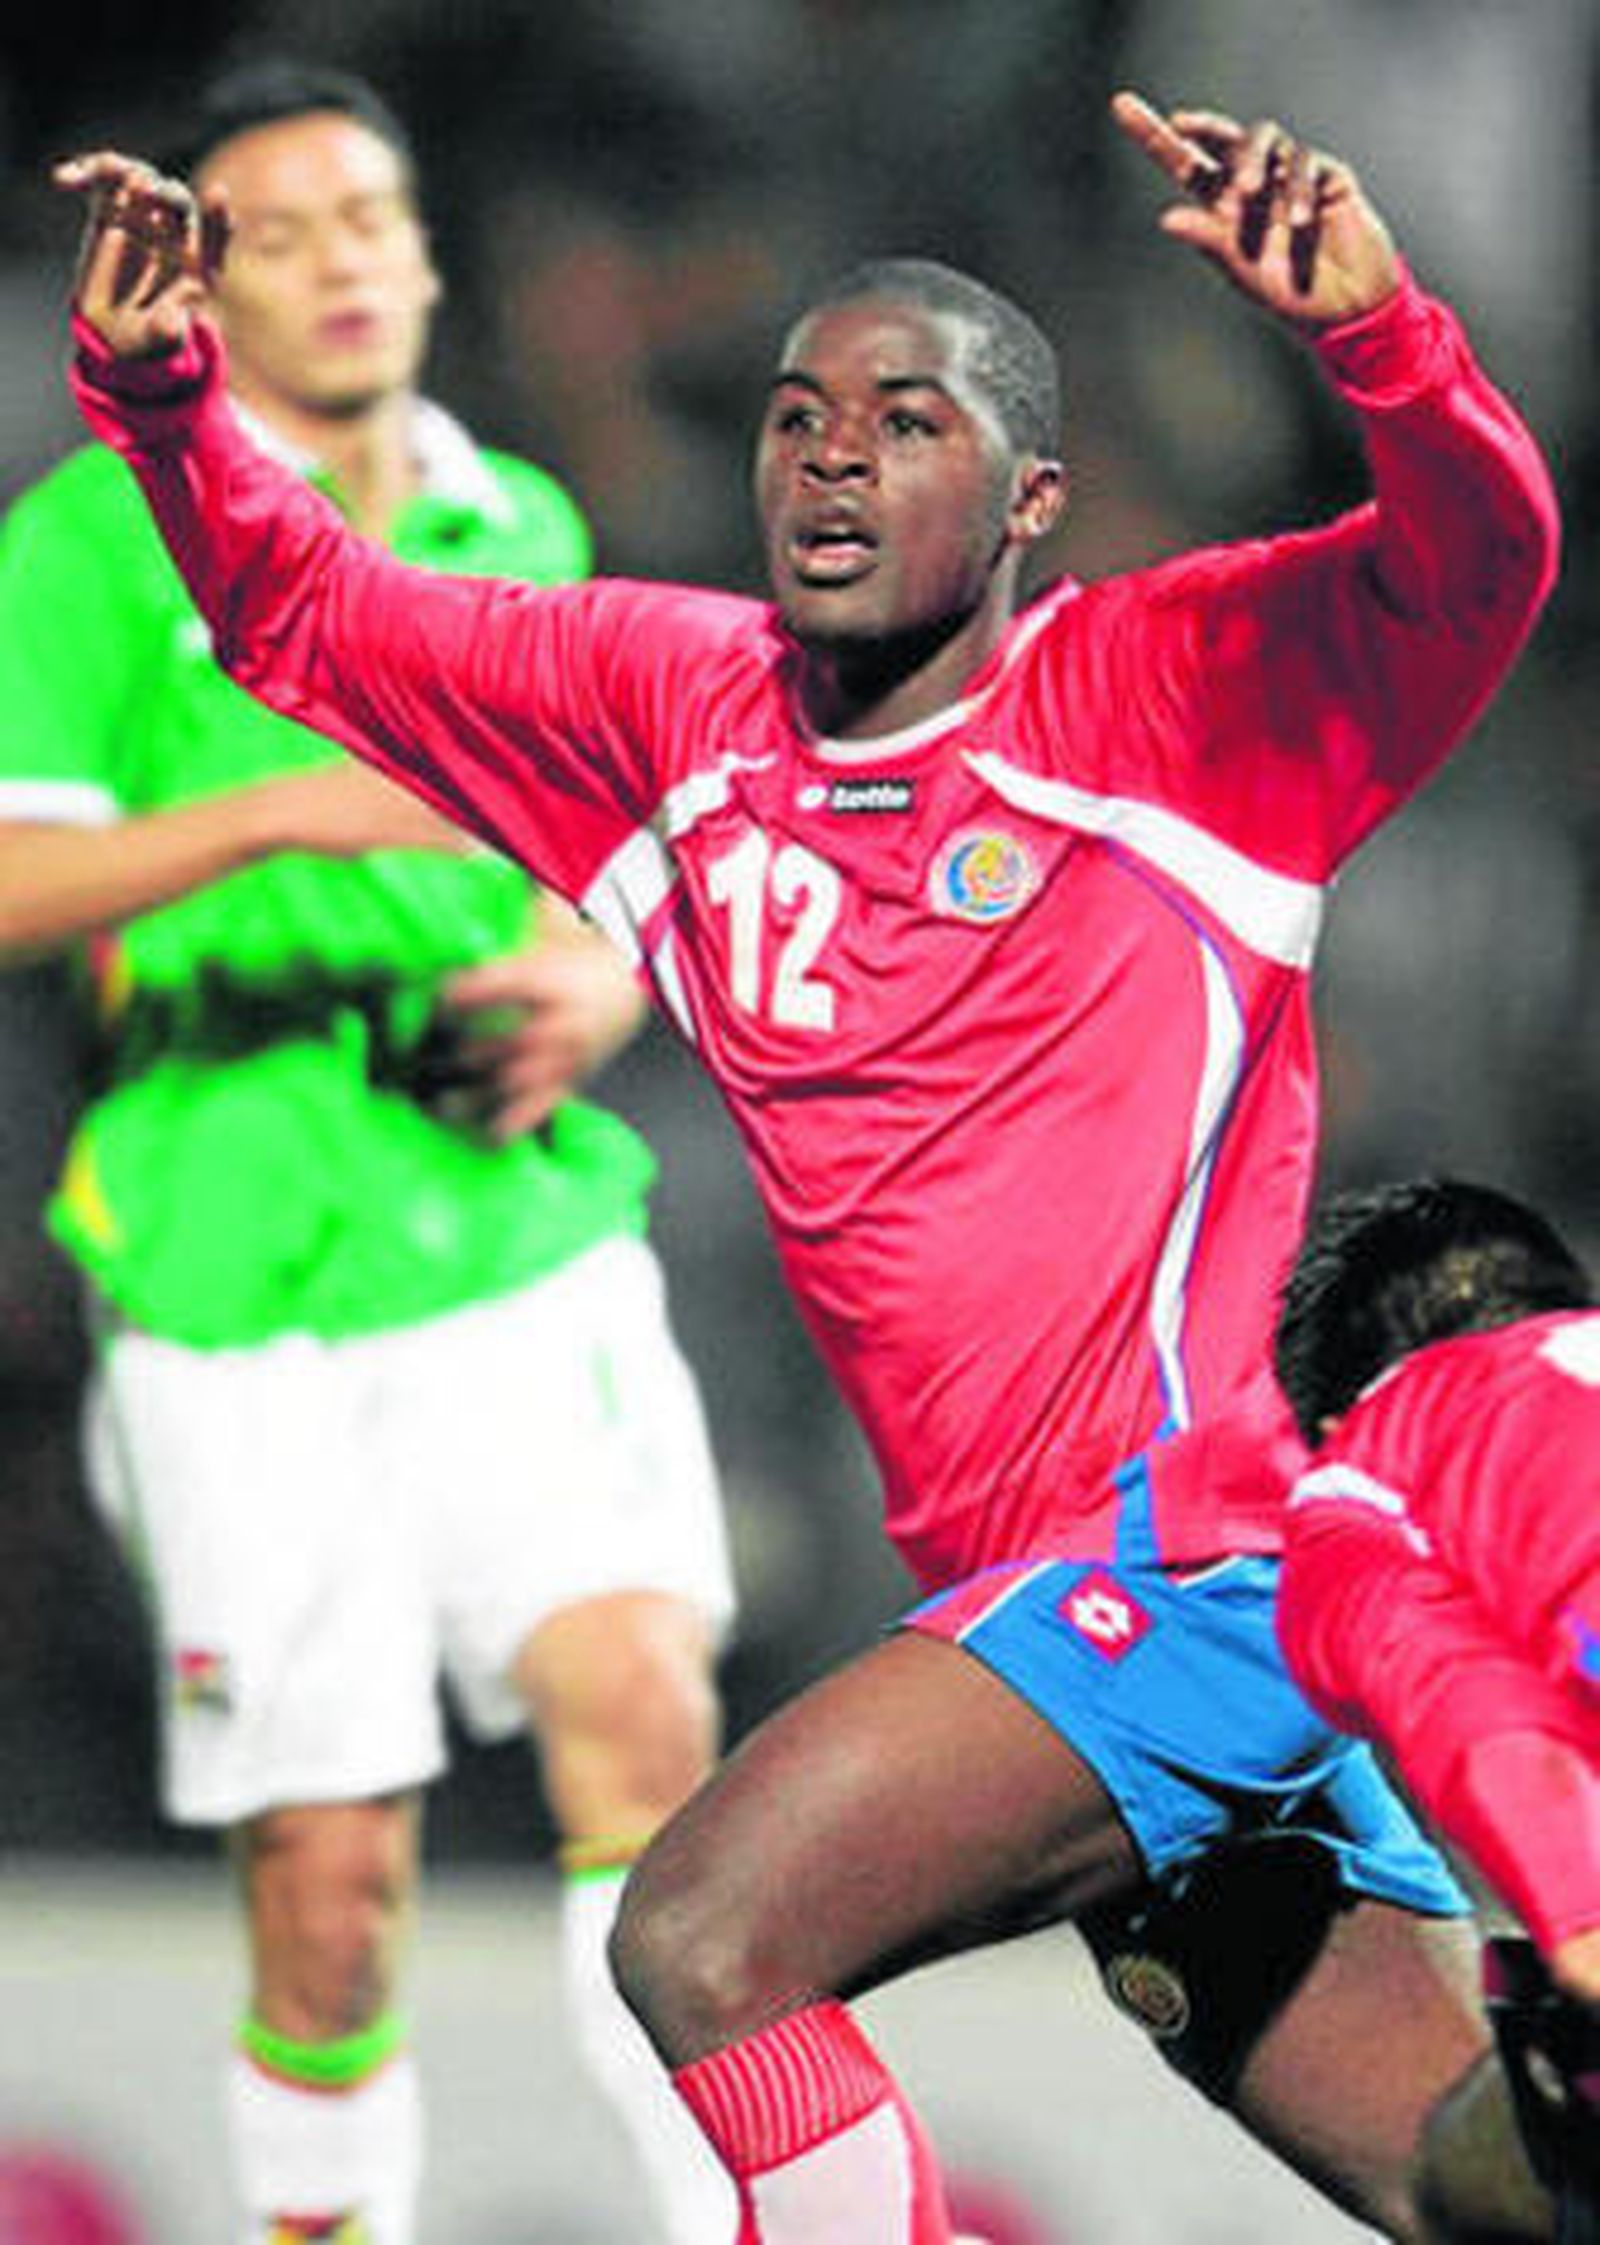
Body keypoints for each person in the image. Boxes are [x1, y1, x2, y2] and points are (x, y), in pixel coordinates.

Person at [52, 83, 1564, 2241]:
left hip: (1181, 1565)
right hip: (1038, 1614)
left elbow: (1478, 559)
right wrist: (160, 390)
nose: (831, 451)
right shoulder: (665, 708)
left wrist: (1380, 340)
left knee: (699, 1940)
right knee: (1477, 2189)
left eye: (904, 417)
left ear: (1033, 493)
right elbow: (305, 611)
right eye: (792, 415)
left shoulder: (1179, 702)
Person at [5, 60, 738, 2245]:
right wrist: (271, 810)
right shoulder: (76, 541)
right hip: (234, 1253)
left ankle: (749, 2220)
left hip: (509, 1221)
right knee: (330, 1891)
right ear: (197, 295)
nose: (339, 263)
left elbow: (600, 847)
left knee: (647, 1728)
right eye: (280, 231)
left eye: (369, 219)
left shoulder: (517, 521)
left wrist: (596, 976)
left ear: (427, 258)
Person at [1276, 1176, 1600, 2236]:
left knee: (1469, 2174)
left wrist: (1579, 1907)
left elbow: (1456, 1693)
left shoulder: (1365, 1470)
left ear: (1327, 1419)